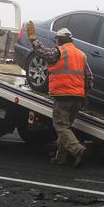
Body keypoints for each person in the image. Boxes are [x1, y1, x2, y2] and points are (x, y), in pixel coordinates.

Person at [26, 22, 92, 168]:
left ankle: (78, 150)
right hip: (78, 98)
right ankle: (60, 158)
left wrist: (33, 40)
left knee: (61, 127)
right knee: (66, 127)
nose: (55, 42)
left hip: (63, 96)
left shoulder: (60, 51)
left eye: (56, 40)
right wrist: (84, 93)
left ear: (60, 40)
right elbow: (90, 78)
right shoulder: (81, 55)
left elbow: (44, 52)